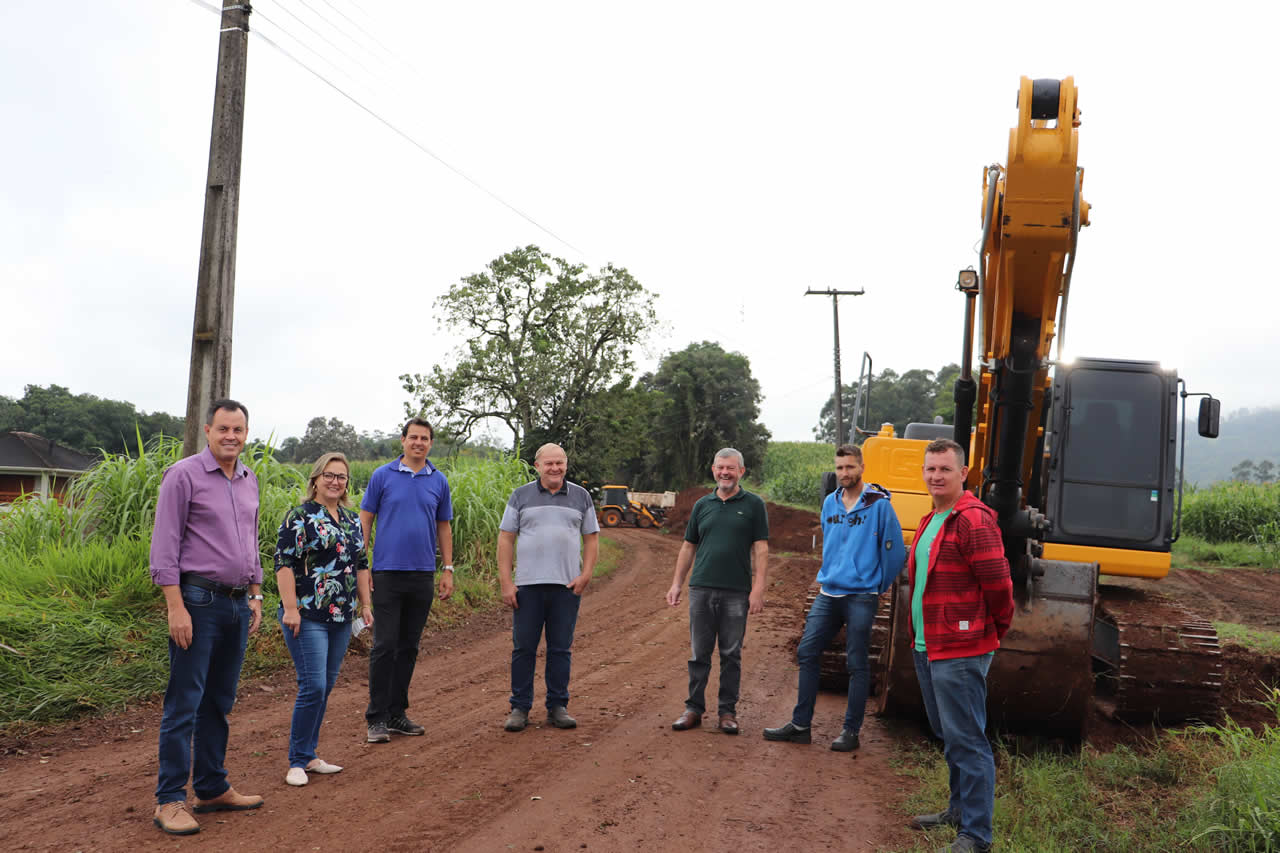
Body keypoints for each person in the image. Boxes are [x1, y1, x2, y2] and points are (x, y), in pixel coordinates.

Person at [149, 399, 264, 835]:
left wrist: (255, 594)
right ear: (207, 430)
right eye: (223, 429)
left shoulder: (250, 479)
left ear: (246, 433)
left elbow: (250, 541)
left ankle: (213, 787)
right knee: (185, 702)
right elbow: (165, 547)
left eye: (238, 429)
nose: (231, 436)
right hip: (196, 601)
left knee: (219, 700)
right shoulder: (183, 475)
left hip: (237, 603)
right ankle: (170, 799)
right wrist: (175, 607)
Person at [906, 438, 1014, 853]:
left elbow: (999, 584)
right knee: (948, 732)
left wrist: (992, 630)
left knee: (967, 738)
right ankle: (956, 811)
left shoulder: (973, 519)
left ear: (963, 473)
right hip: (927, 644)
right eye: (930, 469)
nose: (936, 476)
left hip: (959, 648)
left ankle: (976, 834)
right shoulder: (932, 517)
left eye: (944, 469)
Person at [763, 443, 904, 751]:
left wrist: (878, 586)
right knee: (808, 651)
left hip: (861, 596)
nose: (844, 473)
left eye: (850, 467)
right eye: (840, 468)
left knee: (856, 662)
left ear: (862, 467)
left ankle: (850, 731)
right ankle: (801, 725)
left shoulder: (879, 505)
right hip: (829, 592)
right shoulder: (830, 502)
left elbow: (895, 552)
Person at [274, 452, 372, 786]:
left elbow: (360, 564)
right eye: (329, 475)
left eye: (341, 476)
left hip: (342, 615)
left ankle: (310, 754)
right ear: (316, 479)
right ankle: (297, 762)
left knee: (325, 686)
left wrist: (366, 605)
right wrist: (289, 608)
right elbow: (283, 563)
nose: (335, 481)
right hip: (307, 613)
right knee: (312, 685)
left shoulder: (350, 519)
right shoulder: (300, 517)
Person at [361, 418, 454, 744]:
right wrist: (363, 564)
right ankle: (376, 718)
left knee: (408, 647)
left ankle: (397, 714)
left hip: (422, 575)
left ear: (430, 443)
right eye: (413, 437)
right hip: (386, 572)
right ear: (402, 441)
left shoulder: (438, 481)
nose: (418, 442)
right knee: (384, 646)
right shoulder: (382, 476)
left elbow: (444, 526)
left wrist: (448, 568)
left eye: (424, 438)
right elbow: (366, 519)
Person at [666, 448, 769, 735]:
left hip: (737, 591)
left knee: (731, 654)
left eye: (731, 468)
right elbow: (688, 546)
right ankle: (693, 709)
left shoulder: (754, 505)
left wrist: (758, 588)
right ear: (713, 470)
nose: (725, 473)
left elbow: (761, 548)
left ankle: (727, 712)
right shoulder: (702, 505)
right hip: (701, 589)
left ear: (741, 472)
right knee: (699, 653)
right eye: (721, 468)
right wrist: (677, 583)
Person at [497, 443, 599, 732]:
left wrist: (586, 575)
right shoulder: (521, 496)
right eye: (549, 463)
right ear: (537, 466)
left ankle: (557, 706)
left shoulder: (582, 496)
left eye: (560, 463)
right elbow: (506, 539)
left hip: (566, 586)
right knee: (524, 648)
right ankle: (519, 707)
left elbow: (591, 538)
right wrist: (506, 582)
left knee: (560, 649)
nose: (555, 468)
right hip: (527, 586)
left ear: (566, 464)